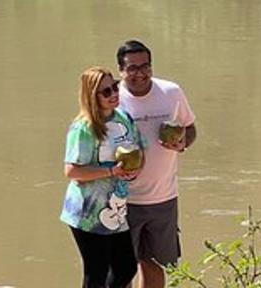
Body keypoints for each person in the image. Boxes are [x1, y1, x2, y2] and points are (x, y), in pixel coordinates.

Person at [117, 40, 198, 288]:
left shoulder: (171, 92)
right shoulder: (111, 98)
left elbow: (190, 127)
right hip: (120, 199)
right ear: (121, 70)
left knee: (153, 264)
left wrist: (182, 142)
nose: (139, 73)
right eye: (132, 68)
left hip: (163, 197)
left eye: (145, 66)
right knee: (120, 269)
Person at [62, 66, 145, 288]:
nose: (114, 94)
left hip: (115, 209)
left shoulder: (123, 117)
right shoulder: (84, 128)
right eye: (106, 92)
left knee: (126, 267)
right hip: (87, 211)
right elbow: (72, 171)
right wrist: (111, 171)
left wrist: (136, 168)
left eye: (115, 87)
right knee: (96, 271)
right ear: (91, 96)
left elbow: (139, 149)